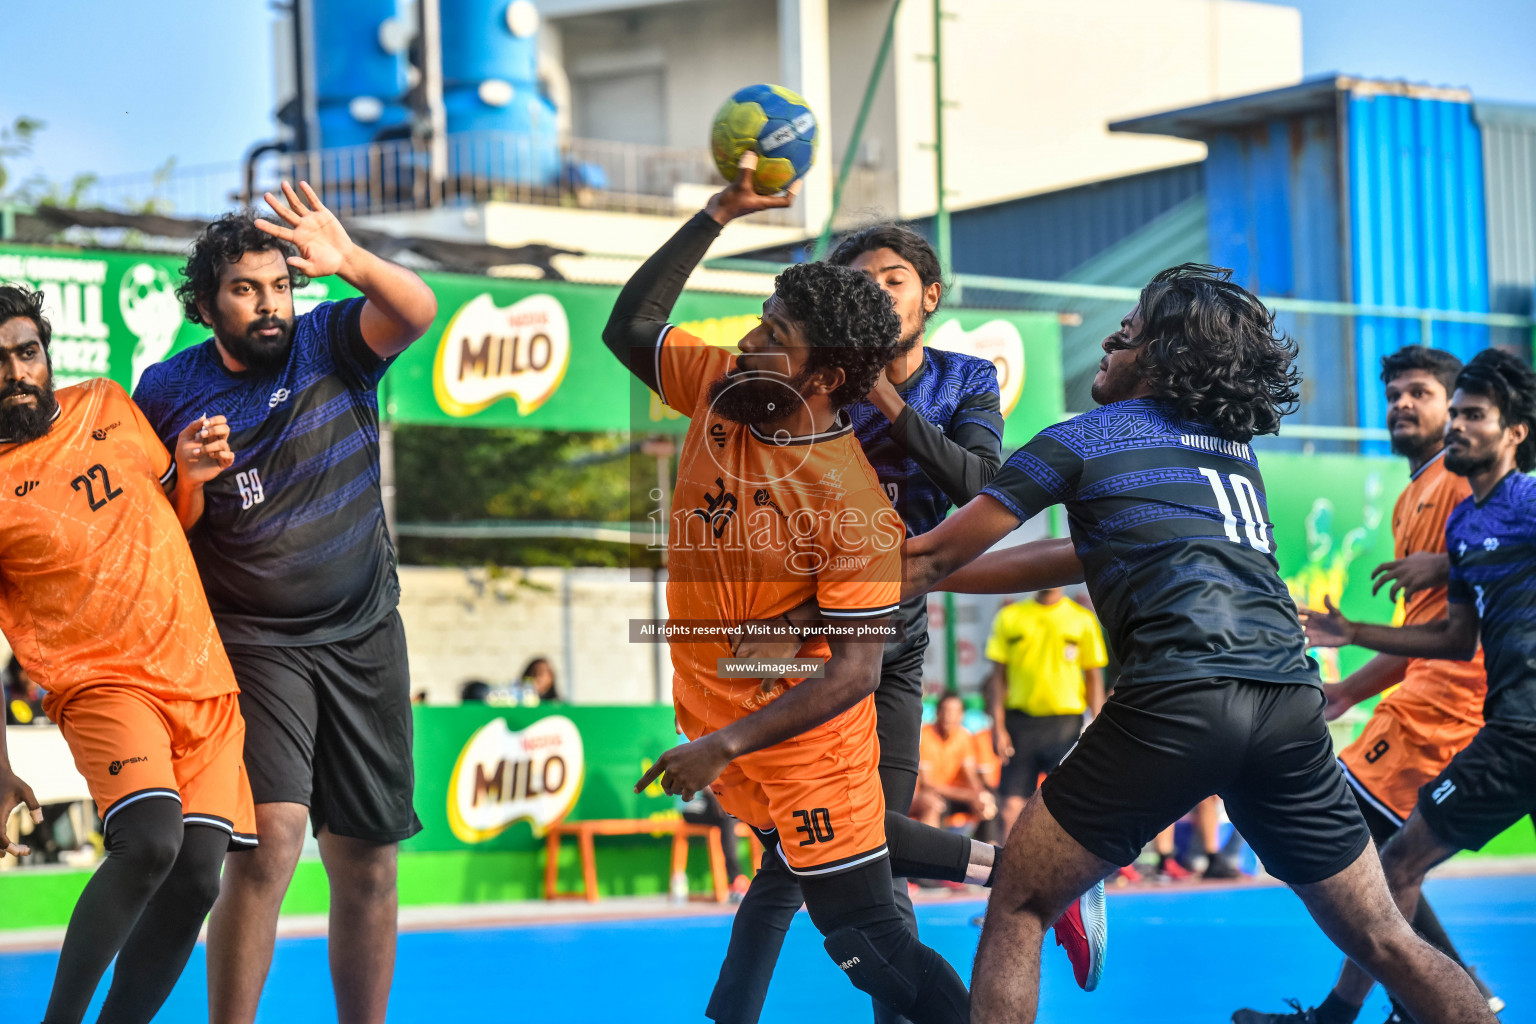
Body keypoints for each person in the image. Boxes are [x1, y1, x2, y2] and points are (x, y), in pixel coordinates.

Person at [901, 263, 1498, 1023]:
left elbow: (928, 555)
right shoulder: (1229, 454)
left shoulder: (1081, 439)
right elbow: (1071, 555)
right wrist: (937, 579)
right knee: (1384, 936)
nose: (1113, 337)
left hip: (1178, 695)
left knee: (1019, 900)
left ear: (1161, 356)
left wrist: (823, 578)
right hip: (1288, 704)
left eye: (1133, 328)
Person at [606, 154, 1062, 1024]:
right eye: (760, 323)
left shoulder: (848, 504)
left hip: (806, 714)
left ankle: (1030, 876)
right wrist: (714, 215)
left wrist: (727, 741)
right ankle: (1020, 869)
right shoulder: (723, 388)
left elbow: (852, 671)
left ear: (823, 375)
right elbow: (632, 327)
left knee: (866, 938)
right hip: (726, 694)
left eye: (773, 335)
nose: (747, 343)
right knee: (808, 867)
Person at [131, 183, 438, 1024]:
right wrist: (188, 479)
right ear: (205, 305)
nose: (270, 305)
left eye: (280, 286)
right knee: (269, 844)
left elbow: (418, 310)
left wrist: (351, 263)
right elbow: (168, 530)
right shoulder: (163, 393)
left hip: (366, 630)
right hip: (255, 640)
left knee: (370, 860)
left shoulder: (331, 338)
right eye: (245, 290)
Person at [0, 283, 257, 1024]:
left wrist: (194, 474)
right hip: (104, 685)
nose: (18, 372)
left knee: (199, 877)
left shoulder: (107, 404)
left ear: (46, 355)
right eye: (0, 361)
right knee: (148, 844)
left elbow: (172, 509)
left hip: (201, 675)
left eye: (28, 352)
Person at [1234, 345, 1502, 1024]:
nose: (1403, 405)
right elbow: (1423, 628)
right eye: (1394, 395)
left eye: (1421, 393)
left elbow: (1454, 625)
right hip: (1423, 697)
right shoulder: (1415, 493)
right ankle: (1447, 997)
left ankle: (1422, 1002)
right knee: (1384, 857)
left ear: (1455, 409)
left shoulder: (1456, 485)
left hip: (1454, 706)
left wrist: (1351, 661)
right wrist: (1349, 690)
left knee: (1340, 835)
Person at [1295, 348, 1536, 1024]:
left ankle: (1379, 1007)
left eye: (1467, 410)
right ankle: (1435, 998)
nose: (1455, 422)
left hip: (1467, 713)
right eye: (1453, 411)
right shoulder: (1459, 516)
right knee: (1385, 857)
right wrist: (1354, 640)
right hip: (1504, 726)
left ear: (1513, 429)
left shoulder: (1503, 498)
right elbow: (1448, 635)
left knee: (1369, 850)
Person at [985, 587, 1106, 838]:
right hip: (1020, 723)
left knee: (1070, 802)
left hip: (1066, 724)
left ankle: (1067, 874)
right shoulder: (1011, 616)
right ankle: (1008, 872)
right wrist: (998, 727)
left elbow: (1094, 676)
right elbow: (998, 677)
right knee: (1010, 806)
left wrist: (1097, 724)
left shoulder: (1081, 619)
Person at [910, 692, 997, 830]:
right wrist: (969, 796)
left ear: (961, 715)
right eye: (945, 711)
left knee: (987, 804)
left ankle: (989, 847)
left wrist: (980, 795)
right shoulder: (926, 736)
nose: (949, 716)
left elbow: (971, 775)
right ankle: (928, 850)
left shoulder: (964, 736)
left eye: (954, 712)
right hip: (924, 796)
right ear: (938, 713)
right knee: (933, 803)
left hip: (952, 794)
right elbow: (927, 784)